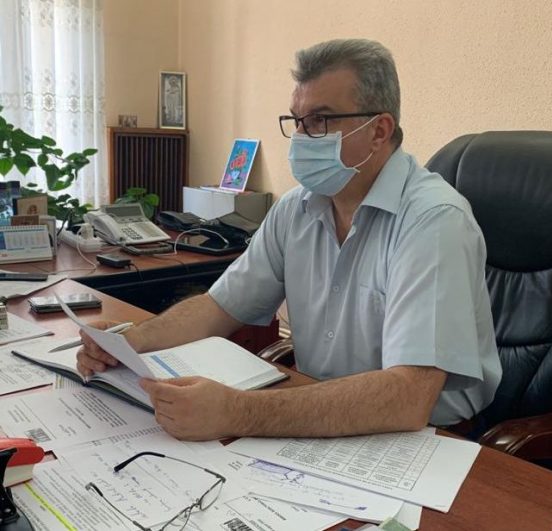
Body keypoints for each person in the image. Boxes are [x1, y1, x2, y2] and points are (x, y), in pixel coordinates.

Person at [78, 38, 502, 441]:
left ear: (379, 130)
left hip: (430, 440)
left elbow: (408, 397)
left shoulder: (433, 221)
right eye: (297, 121)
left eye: (320, 120)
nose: (300, 137)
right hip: (324, 414)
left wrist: (237, 411)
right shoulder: (296, 208)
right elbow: (220, 306)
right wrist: (130, 341)